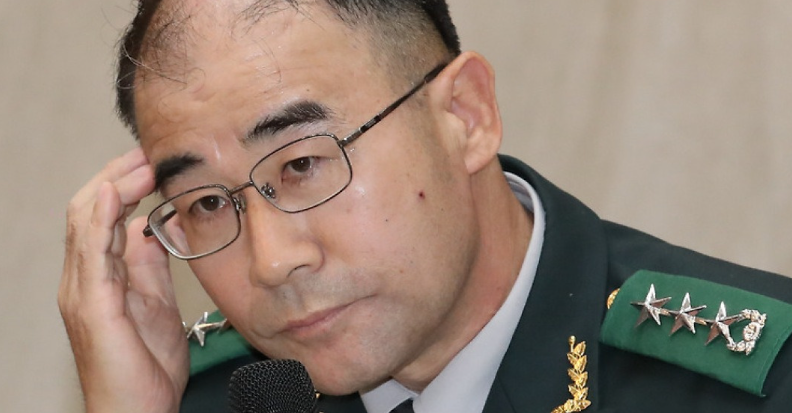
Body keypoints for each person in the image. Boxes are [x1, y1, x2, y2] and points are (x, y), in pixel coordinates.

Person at [58, 1, 792, 412]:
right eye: (208, 203)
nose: (273, 262)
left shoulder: (756, 389)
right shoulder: (209, 397)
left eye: (304, 164)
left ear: (466, 116)